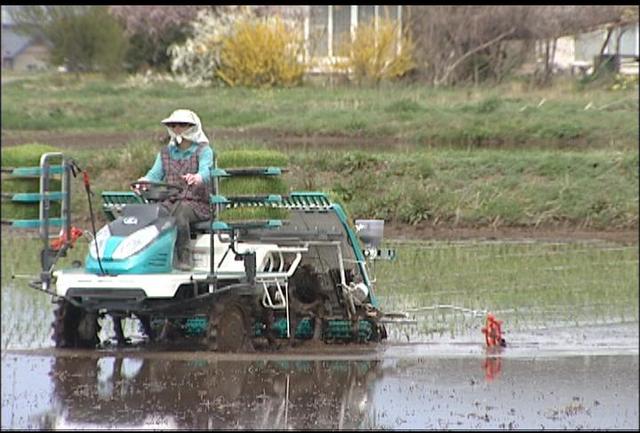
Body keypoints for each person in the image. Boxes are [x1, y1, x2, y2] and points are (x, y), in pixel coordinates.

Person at [135, 109, 214, 270]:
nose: (177, 128)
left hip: (198, 204)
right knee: (152, 213)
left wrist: (197, 178)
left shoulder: (204, 151)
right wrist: (144, 182)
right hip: (171, 201)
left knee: (180, 212)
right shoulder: (165, 153)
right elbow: (154, 174)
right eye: (173, 125)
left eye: (182, 125)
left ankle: (183, 257)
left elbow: (207, 171)